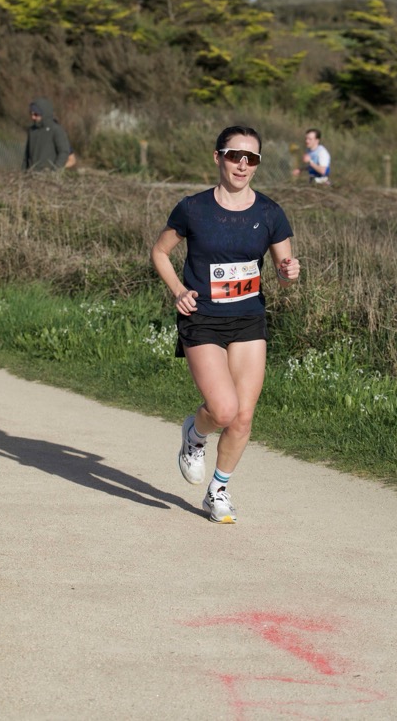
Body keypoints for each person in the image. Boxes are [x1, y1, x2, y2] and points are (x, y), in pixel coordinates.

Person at [150, 126, 300, 524]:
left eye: (252, 158)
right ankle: (194, 435)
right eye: (235, 155)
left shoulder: (269, 213)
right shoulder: (193, 208)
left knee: (243, 416)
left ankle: (217, 490)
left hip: (248, 319)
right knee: (222, 409)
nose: (243, 164)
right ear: (218, 157)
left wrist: (289, 271)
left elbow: (284, 270)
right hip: (202, 318)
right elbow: (160, 252)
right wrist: (178, 290)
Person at [23, 98, 74, 171]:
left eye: (36, 114)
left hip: (48, 175)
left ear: (44, 114)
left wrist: (54, 170)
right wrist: (24, 171)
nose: (33, 117)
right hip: (31, 174)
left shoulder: (56, 130)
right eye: (31, 114)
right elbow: (26, 156)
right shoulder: (32, 131)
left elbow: (64, 152)